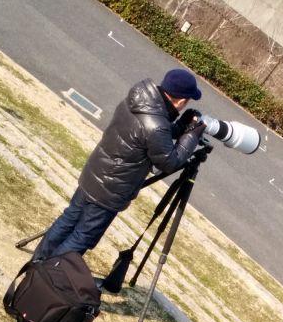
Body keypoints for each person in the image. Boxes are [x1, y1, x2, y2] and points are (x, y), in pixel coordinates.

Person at [33, 68, 205, 262]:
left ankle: (37, 262)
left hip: (94, 174)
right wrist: (191, 136)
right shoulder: (156, 124)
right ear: (182, 101)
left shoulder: (139, 100)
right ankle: (49, 276)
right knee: (82, 237)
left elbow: (151, 136)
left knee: (68, 219)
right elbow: (169, 162)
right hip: (111, 190)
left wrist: (181, 125)